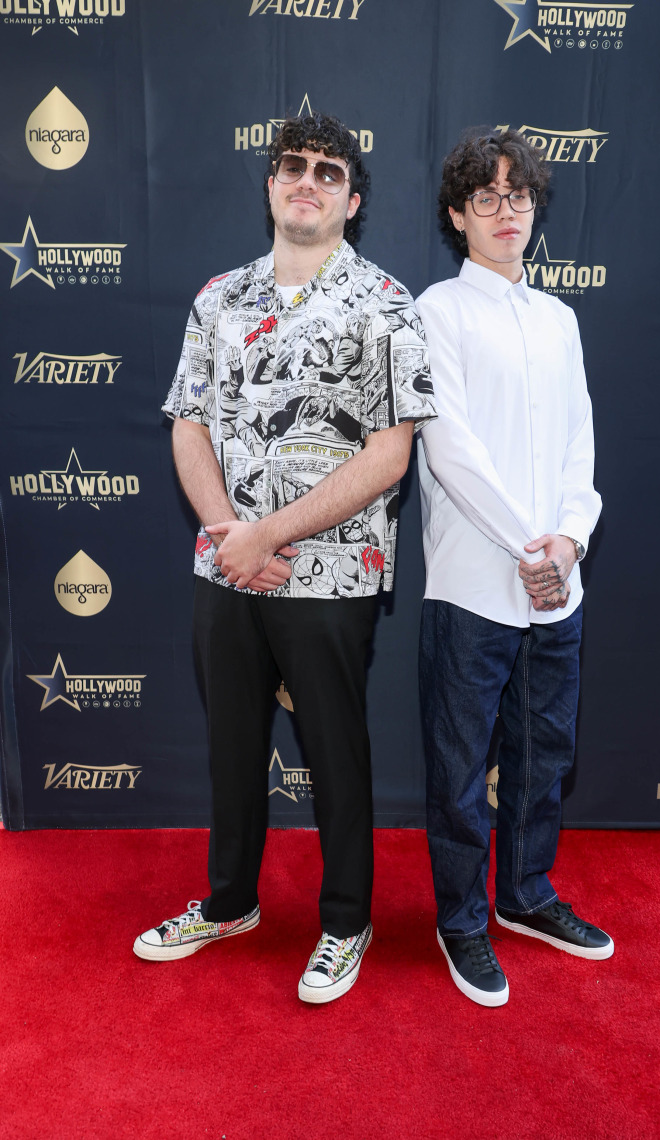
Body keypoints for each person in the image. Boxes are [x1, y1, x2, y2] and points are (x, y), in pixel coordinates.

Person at [134, 113, 433, 1004]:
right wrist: (234, 534)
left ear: (353, 197)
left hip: (333, 571)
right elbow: (188, 426)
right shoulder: (217, 298)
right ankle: (230, 903)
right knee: (233, 746)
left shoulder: (389, 303)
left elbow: (390, 454)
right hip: (225, 564)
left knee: (334, 749)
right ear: (269, 184)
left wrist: (271, 535)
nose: (308, 181)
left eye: (328, 171)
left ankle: (346, 922)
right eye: (292, 166)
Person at [416, 128, 611, 1008]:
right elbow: (449, 448)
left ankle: (527, 895)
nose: (506, 211)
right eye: (485, 198)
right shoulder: (436, 311)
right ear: (458, 216)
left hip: (555, 585)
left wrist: (567, 540)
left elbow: (579, 444)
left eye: (518, 194)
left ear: (535, 207)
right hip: (471, 582)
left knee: (546, 751)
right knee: (461, 769)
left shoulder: (560, 318)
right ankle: (461, 921)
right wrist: (527, 547)